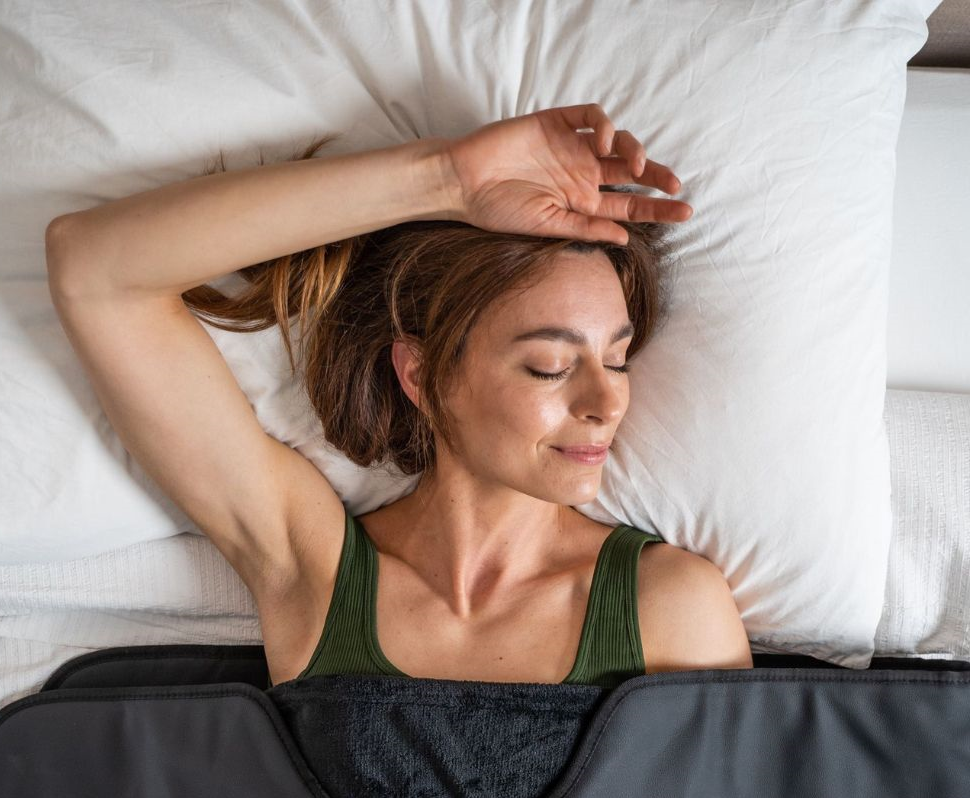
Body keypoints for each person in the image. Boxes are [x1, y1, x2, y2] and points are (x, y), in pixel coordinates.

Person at [44, 102, 752, 690]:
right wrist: (449, 176)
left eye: (618, 359)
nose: (608, 402)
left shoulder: (669, 605)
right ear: (421, 375)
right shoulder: (314, 572)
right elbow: (93, 267)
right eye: (548, 366)